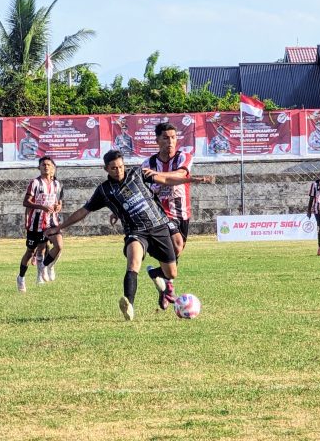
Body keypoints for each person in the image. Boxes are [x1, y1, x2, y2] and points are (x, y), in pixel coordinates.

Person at [45, 150, 209, 321]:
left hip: (159, 226)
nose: (118, 170)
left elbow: (166, 179)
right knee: (133, 262)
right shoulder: (104, 191)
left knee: (172, 273)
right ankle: (129, 305)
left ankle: (157, 275)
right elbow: (84, 211)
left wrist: (192, 179)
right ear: (106, 169)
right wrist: (60, 227)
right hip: (136, 231)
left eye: (121, 166)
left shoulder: (138, 173)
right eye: (114, 168)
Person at [142, 122, 211, 310]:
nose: (170, 141)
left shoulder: (184, 157)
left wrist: (157, 175)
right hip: (159, 213)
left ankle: (162, 280)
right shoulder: (148, 163)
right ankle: (168, 284)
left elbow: (180, 175)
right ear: (157, 140)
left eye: (173, 137)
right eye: (166, 137)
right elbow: (145, 188)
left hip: (182, 213)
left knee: (175, 253)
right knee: (176, 245)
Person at [17, 156, 63, 292]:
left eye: (48, 164)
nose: (46, 166)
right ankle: (21, 277)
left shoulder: (57, 184)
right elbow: (26, 202)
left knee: (58, 246)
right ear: (39, 167)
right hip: (36, 223)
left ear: (53, 168)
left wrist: (58, 206)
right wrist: (41, 207)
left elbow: (59, 201)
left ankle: (44, 269)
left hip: (51, 222)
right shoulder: (35, 183)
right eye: (43, 164)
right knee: (30, 251)